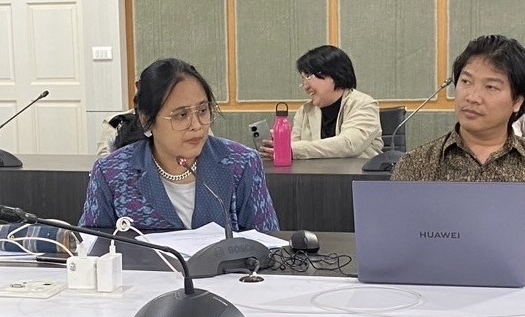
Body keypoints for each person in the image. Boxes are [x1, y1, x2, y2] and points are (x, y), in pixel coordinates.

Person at [391, 35, 525, 239]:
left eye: (491, 87)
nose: (472, 97)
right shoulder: (416, 165)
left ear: (517, 101)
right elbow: (393, 241)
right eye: (466, 82)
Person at [80, 58, 279, 231]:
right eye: (181, 115)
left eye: (203, 111)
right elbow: (91, 247)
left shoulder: (242, 164)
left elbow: (269, 244)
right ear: (146, 119)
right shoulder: (111, 173)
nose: (197, 125)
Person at [259, 45, 383, 160]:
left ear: (333, 75)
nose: (305, 86)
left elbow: (349, 144)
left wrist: (294, 149)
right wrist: (279, 145)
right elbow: (293, 147)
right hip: (315, 176)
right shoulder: (305, 111)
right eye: (303, 79)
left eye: (308, 77)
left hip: (355, 175)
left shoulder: (364, 104)